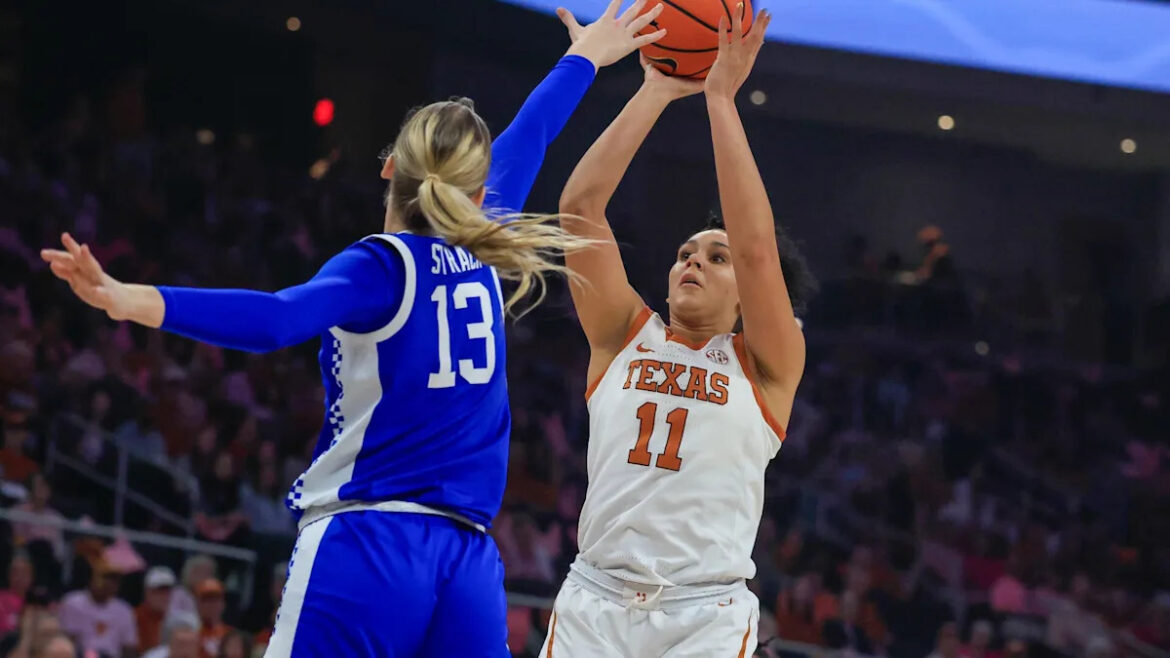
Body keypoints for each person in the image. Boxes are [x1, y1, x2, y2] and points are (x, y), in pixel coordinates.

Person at [42, 2, 665, 655]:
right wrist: (584, 57)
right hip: (468, 563)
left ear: (389, 166)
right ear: (479, 196)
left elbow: (277, 319)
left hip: (371, 542)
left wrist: (130, 299)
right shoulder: (484, 242)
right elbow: (532, 132)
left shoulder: (382, 266)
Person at [541, 5, 818, 656]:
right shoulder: (622, 335)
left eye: (716, 257)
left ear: (747, 295)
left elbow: (757, 251)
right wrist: (656, 90)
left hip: (704, 616)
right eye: (685, 253)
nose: (693, 260)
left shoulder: (768, 364)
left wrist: (720, 100)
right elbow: (579, 209)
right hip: (594, 603)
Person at [57, 560, 137, 658]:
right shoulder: (73, 603)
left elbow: (128, 647)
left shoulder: (124, 610)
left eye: (115, 580)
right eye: (105, 577)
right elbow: (67, 639)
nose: (110, 583)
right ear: (91, 578)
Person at [136, 566, 177, 653]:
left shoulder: (175, 620)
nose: (164, 596)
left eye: (167, 591)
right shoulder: (135, 618)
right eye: (159, 591)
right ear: (147, 592)